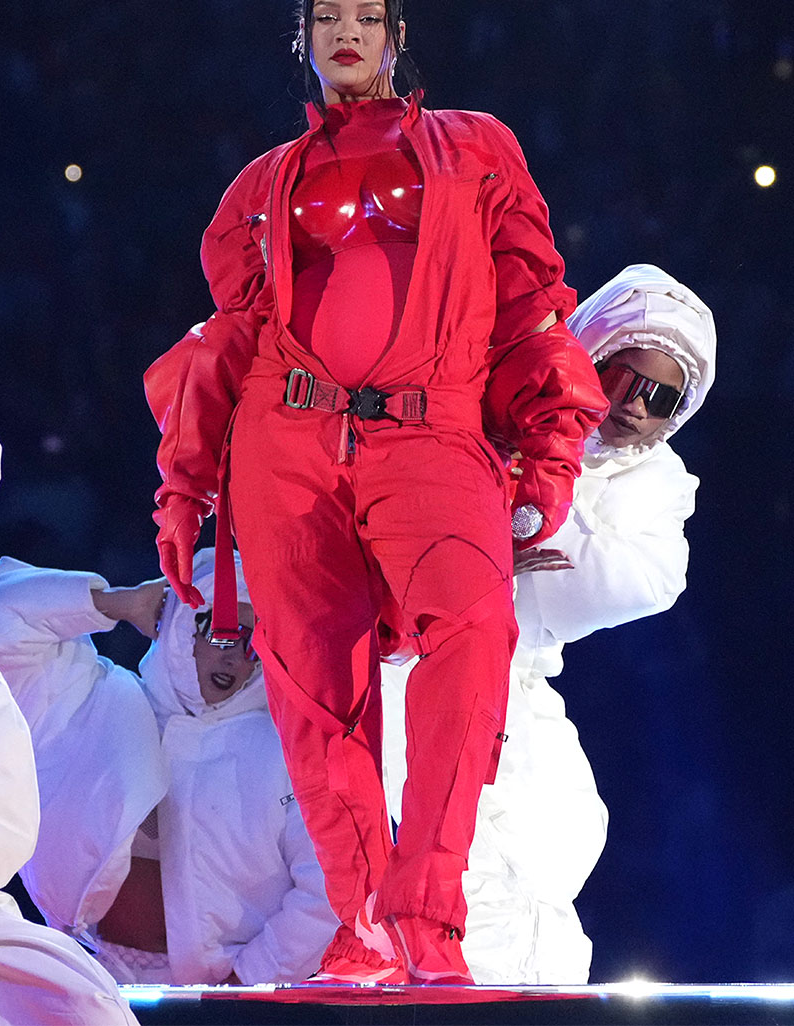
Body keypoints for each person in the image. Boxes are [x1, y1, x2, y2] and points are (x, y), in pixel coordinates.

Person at [144, 0, 607, 984]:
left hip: (429, 429)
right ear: (302, 39)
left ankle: (426, 911)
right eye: (325, 17)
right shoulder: (263, 183)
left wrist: (551, 446)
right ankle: (360, 926)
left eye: (365, 14)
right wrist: (183, 484)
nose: (345, 31)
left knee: (474, 632)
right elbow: (232, 337)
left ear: (397, 33)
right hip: (286, 436)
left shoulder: (473, 148)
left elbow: (529, 300)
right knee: (317, 694)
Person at [382, 263, 716, 983]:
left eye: (659, 397)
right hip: (408, 663)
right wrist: (493, 542)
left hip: (519, 679)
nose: (631, 407)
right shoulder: (492, 407)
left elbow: (646, 582)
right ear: (585, 355)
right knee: (443, 847)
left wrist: (519, 531)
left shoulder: (658, 482)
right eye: (619, 377)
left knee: (560, 836)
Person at [0, 547, 338, 986]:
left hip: (215, 999)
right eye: (218, 632)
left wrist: (246, 982)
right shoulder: (99, 702)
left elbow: (328, 887)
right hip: (87, 976)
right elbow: (6, 623)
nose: (234, 657)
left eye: (253, 642)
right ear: (179, 626)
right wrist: (118, 602)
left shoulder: (287, 752)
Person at [0, 441, 140, 1026]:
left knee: (86, 1009)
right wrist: (118, 602)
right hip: (78, 908)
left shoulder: (110, 681)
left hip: (98, 926)